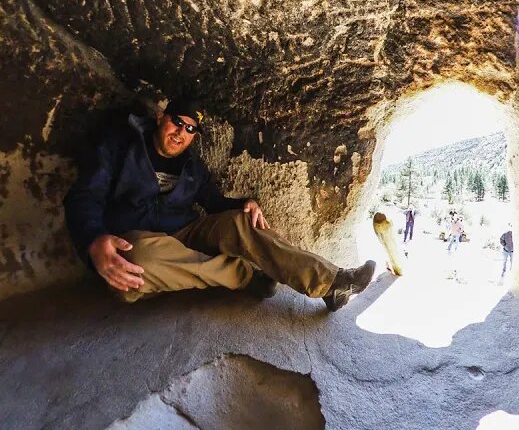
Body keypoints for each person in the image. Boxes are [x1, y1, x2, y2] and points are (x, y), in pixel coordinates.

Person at [64, 98, 375, 311]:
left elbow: (214, 204)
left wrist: (246, 203)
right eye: (177, 122)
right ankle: (246, 276)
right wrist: (93, 240)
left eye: (190, 130)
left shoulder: (193, 168)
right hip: (137, 242)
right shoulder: (120, 148)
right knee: (136, 268)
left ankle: (332, 284)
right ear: (160, 118)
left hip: (183, 234)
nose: (181, 133)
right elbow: (84, 197)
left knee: (242, 222)